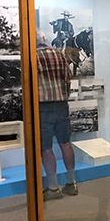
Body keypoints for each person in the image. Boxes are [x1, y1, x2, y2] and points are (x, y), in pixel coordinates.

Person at [37, 32, 78, 201]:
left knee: (46, 148)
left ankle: (53, 188)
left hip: (42, 106)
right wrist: (63, 96)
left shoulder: (34, 57)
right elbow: (68, 79)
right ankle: (71, 183)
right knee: (65, 143)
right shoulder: (60, 54)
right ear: (44, 39)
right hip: (62, 105)